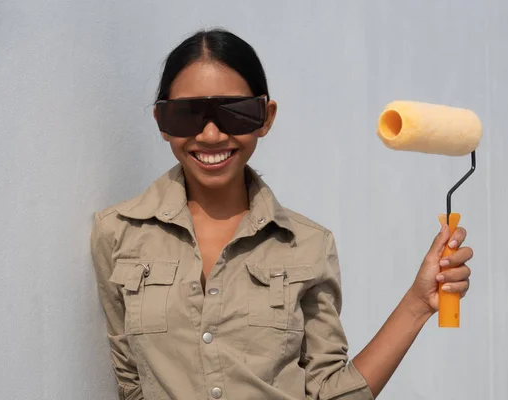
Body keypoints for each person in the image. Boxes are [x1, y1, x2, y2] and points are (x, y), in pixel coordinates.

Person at [90, 28, 473, 400]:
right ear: (161, 121)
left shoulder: (308, 245)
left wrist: (418, 303)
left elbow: (331, 393)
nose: (210, 135)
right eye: (188, 114)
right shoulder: (117, 234)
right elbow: (131, 384)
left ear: (266, 117)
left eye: (234, 113)